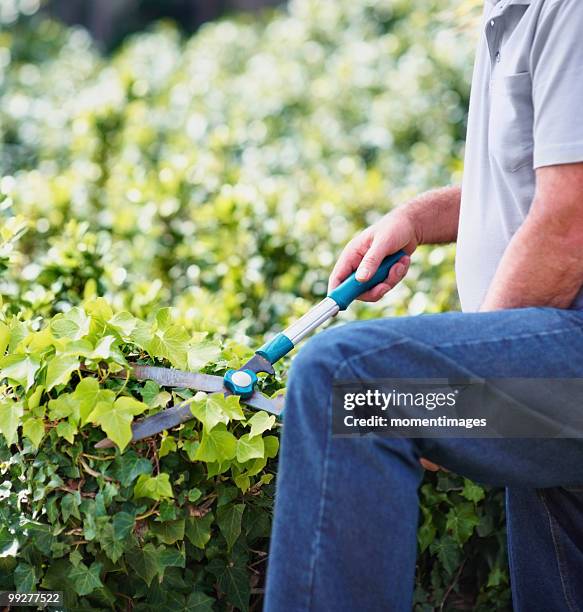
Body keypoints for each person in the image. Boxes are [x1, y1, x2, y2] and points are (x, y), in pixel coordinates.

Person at [263, 1, 583, 610]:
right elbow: (543, 177)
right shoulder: (512, 10)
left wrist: (466, 395)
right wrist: (415, 217)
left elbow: (570, 220)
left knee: (348, 384)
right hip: (557, 366)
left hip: (567, 351)